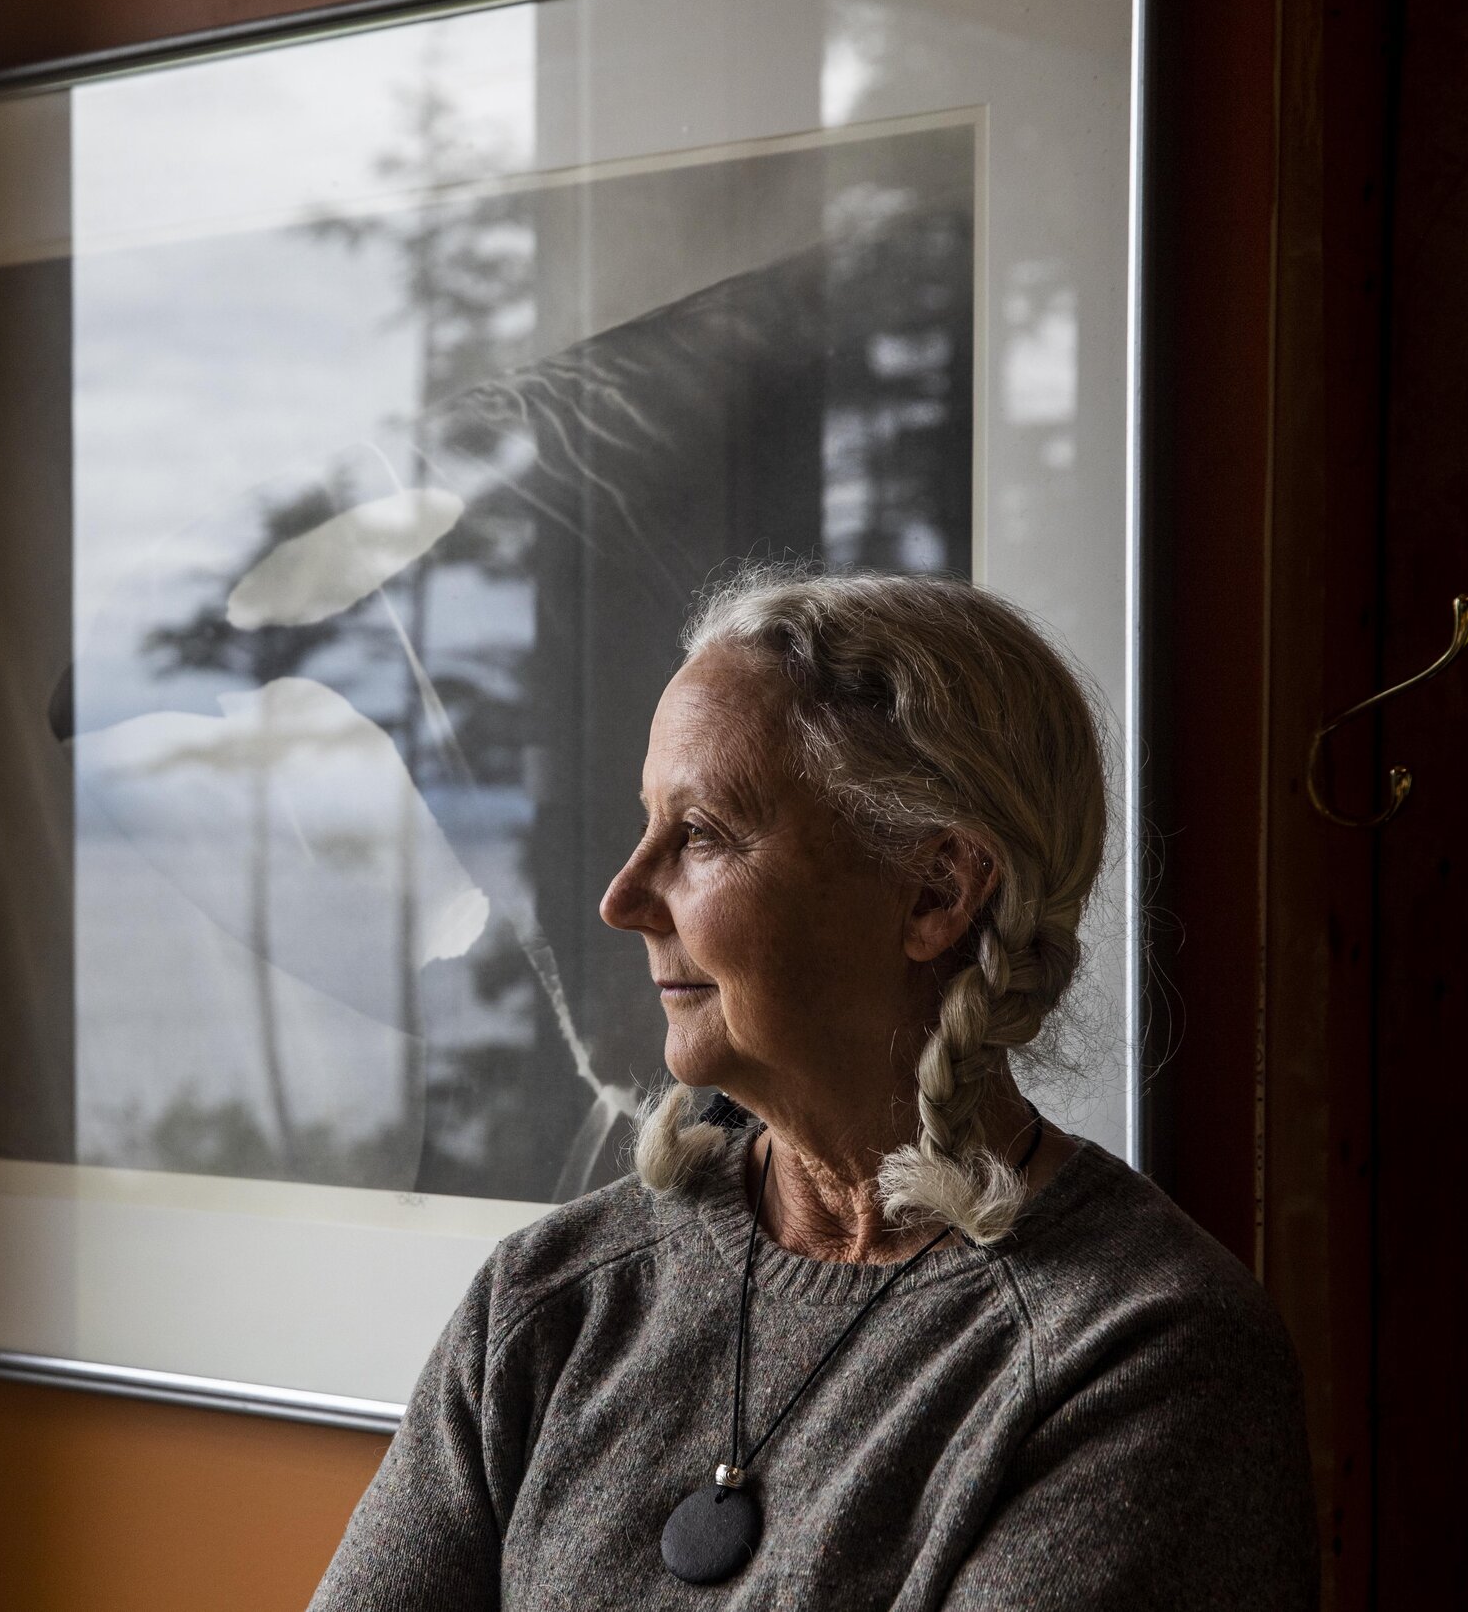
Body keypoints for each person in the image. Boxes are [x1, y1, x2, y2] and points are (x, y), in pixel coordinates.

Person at [310, 566, 1316, 1610]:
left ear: (934, 890)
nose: (622, 896)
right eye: (646, 822)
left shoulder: (1141, 1356)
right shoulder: (551, 1300)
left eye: (698, 833)